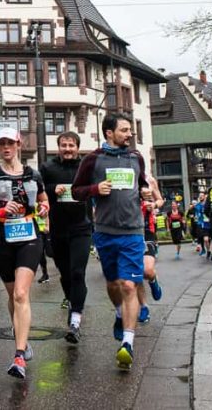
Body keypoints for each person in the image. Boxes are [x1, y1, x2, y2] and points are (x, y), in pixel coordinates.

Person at [72, 113, 151, 371]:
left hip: (133, 232)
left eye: (130, 130)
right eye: (125, 130)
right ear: (109, 133)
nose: (130, 134)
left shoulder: (135, 157)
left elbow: (141, 185)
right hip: (105, 232)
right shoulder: (93, 159)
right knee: (113, 284)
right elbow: (76, 191)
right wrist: (95, 190)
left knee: (129, 285)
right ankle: (118, 312)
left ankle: (127, 343)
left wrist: (145, 191)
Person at [0, 127, 48, 379]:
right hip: (2, 239)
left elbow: (43, 199)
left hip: (29, 236)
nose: (6, 148)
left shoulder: (33, 174)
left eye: (10, 143)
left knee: (20, 293)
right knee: (12, 296)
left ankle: (19, 356)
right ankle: (23, 339)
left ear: (19, 145)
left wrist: (44, 207)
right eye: (1, 144)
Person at [41, 131, 92, 345]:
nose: (68, 149)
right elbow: (39, 190)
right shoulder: (48, 167)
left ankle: (75, 320)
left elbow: (96, 188)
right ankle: (72, 303)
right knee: (65, 275)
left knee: (78, 272)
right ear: (58, 147)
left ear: (78, 148)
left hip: (81, 227)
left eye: (71, 145)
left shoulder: (86, 167)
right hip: (58, 229)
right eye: (64, 145)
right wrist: (53, 189)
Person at [136, 174, 165, 324]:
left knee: (147, 270)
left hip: (147, 230)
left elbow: (160, 200)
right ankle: (143, 307)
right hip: (129, 230)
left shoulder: (150, 180)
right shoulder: (120, 177)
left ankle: (153, 280)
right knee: (136, 273)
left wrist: (153, 205)